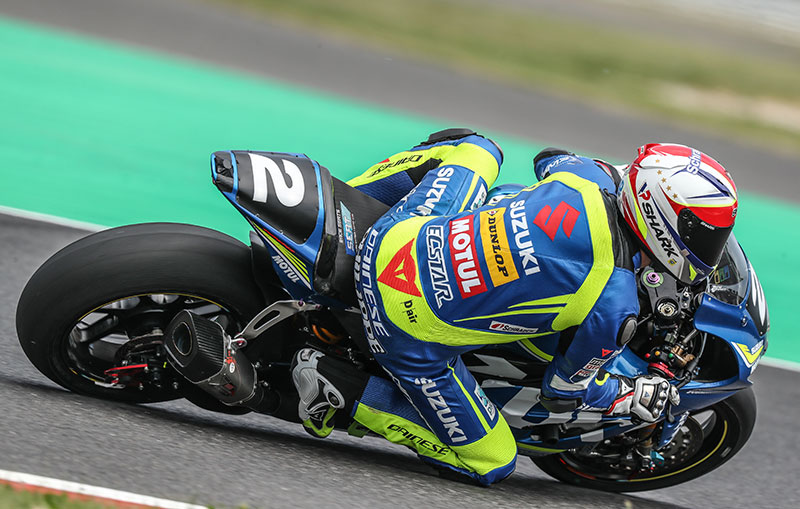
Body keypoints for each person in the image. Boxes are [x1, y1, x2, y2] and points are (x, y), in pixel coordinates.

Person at [290, 129, 738, 485]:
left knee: (475, 146)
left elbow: (550, 158)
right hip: (405, 323)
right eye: (704, 235)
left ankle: (337, 204)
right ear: (662, 219)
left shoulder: (587, 177)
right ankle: (342, 389)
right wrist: (630, 395)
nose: (709, 247)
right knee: (493, 462)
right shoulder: (613, 305)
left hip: (400, 234)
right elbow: (564, 392)